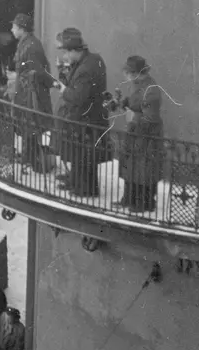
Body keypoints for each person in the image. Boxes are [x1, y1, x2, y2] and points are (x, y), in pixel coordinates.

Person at [55, 27, 107, 197]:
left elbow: (78, 96)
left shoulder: (85, 69)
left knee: (82, 156)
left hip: (85, 119)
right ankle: (78, 184)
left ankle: (83, 190)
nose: (66, 57)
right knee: (82, 156)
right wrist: (65, 72)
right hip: (91, 117)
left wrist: (63, 89)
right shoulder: (92, 60)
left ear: (74, 51)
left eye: (67, 53)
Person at [109, 55, 163, 213]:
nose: (127, 76)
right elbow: (135, 102)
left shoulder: (151, 90)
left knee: (143, 170)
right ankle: (129, 199)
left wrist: (135, 117)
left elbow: (151, 117)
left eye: (128, 73)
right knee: (131, 166)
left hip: (147, 136)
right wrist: (123, 103)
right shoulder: (138, 84)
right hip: (136, 133)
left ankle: (144, 204)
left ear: (136, 73)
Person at [9, 13, 55, 172]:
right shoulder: (25, 43)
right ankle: (29, 155)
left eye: (14, 27)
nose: (12, 30)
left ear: (22, 29)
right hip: (25, 90)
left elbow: (39, 71)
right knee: (27, 124)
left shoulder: (31, 46)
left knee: (31, 123)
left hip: (31, 92)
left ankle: (33, 158)